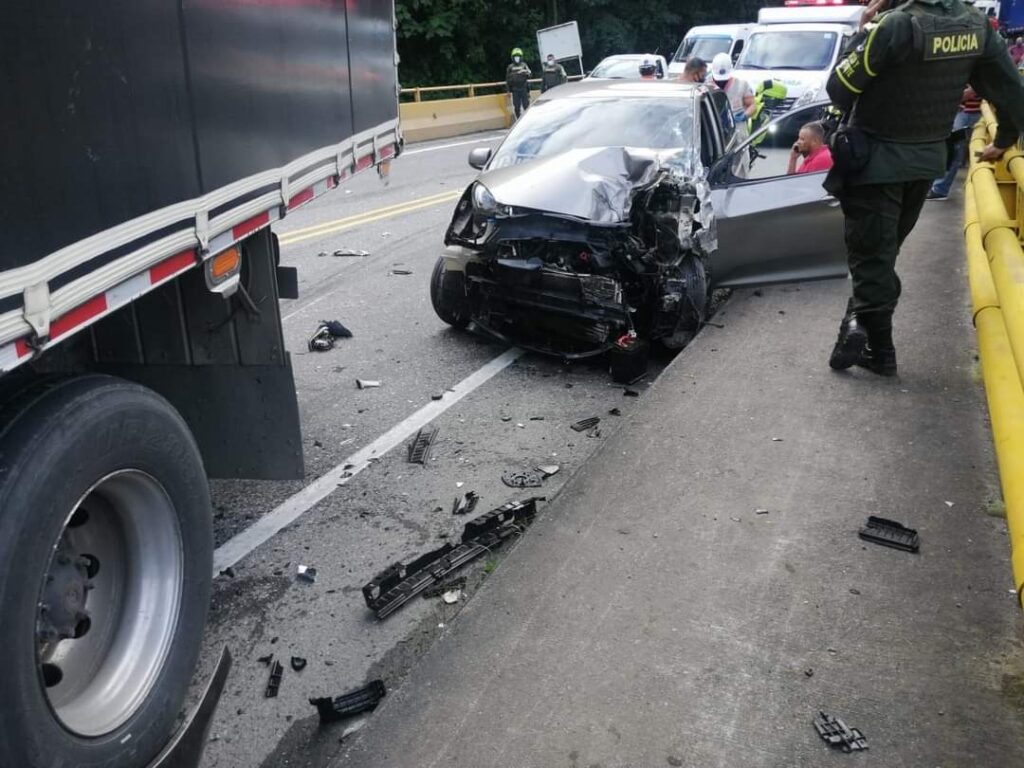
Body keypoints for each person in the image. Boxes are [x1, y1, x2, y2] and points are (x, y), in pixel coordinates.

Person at [825, 0, 1024, 377]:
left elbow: (839, 87)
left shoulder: (894, 26)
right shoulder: (975, 26)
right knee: (883, 254)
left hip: (876, 164)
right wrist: (1008, 136)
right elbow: (1010, 88)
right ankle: (856, 327)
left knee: (873, 258)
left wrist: (862, 29)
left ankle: (880, 352)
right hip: (927, 161)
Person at [926, 85, 982, 200]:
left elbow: (971, 92)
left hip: (970, 112)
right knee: (956, 149)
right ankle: (938, 187)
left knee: (955, 149)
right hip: (966, 111)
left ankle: (940, 189)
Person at [710, 52, 755, 134]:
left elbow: (752, 105)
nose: (721, 81)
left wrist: (744, 115)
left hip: (738, 131)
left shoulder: (742, 85)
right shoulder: (706, 85)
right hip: (714, 130)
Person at [505, 47, 532, 120]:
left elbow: (530, 74)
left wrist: (525, 73)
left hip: (524, 88)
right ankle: (519, 120)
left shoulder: (524, 65)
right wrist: (507, 90)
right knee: (516, 107)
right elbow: (507, 79)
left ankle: (527, 119)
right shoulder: (510, 67)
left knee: (526, 106)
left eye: (518, 56)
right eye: (515, 57)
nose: (517, 58)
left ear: (521, 57)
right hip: (515, 90)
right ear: (513, 57)